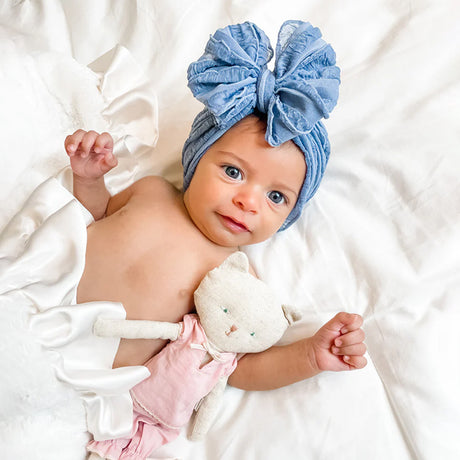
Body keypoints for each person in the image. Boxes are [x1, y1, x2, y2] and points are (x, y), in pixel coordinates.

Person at [67, 21, 366, 402]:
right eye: (233, 172)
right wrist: (89, 180)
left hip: (85, 375)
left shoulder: (233, 275)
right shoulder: (151, 190)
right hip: (40, 297)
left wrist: (309, 355)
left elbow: (236, 366)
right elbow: (94, 220)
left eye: (276, 197)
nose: (249, 201)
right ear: (196, 157)